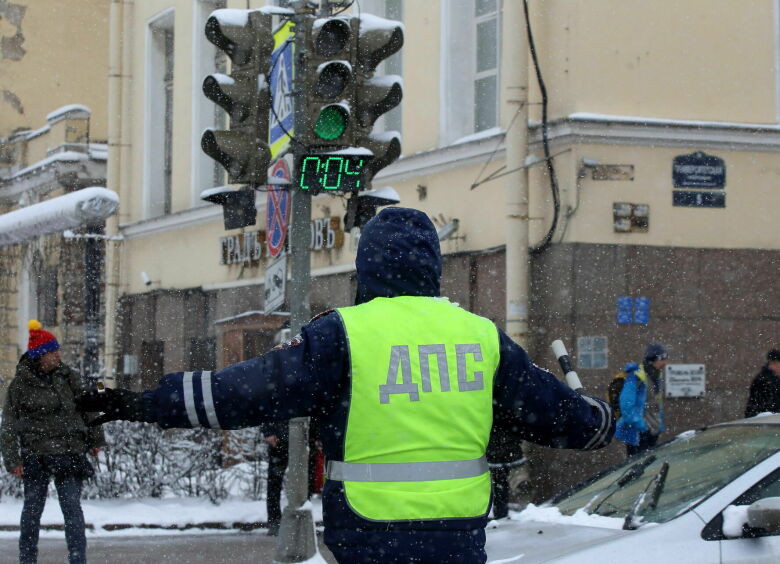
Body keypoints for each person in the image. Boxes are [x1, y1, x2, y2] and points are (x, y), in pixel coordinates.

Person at [77, 207, 614, 564]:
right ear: (432, 265)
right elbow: (565, 419)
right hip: (458, 535)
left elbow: (242, 392)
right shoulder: (481, 337)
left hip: (368, 531)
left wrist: (139, 403)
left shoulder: (344, 334)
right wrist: (600, 420)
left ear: (367, 267)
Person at [0, 320, 105, 564]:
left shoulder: (69, 378)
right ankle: (27, 559)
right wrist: (12, 459)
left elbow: (90, 407)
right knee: (32, 512)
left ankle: (78, 560)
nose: (58, 355)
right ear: (39, 356)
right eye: (53, 352)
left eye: (57, 351)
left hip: (70, 453)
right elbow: (8, 425)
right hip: (35, 455)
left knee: (72, 510)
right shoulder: (20, 386)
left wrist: (95, 439)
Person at [260, 419, 322, 536]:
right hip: (282, 440)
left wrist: (317, 435)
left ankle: (303, 521)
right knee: (275, 484)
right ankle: (275, 522)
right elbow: (267, 407)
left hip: (304, 440)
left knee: (305, 485)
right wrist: (268, 432)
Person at [614, 343, 668, 457]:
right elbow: (626, 404)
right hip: (639, 432)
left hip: (653, 430)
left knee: (649, 465)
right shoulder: (636, 376)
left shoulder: (657, 376)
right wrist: (640, 425)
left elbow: (657, 403)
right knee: (636, 466)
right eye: (663, 359)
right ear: (654, 359)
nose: (665, 363)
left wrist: (659, 424)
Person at [745, 348, 780, 417]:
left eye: (775, 363)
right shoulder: (763, 380)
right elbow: (756, 404)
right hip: (766, 420)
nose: (773, 366)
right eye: (772, 363)